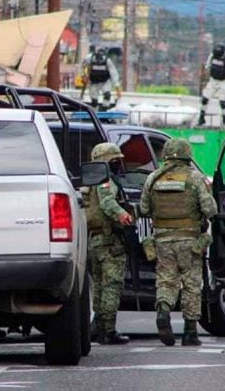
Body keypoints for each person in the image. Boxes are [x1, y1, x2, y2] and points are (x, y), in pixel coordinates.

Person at [139, 138, 217, 346]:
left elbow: (144, 209)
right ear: (187, 155)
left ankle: (163, 310)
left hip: (163, 239)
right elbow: (211, 210)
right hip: (190, 240)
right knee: (191, 284)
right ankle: (190, 333)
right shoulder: (195, 178)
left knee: (166, 281)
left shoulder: (153, 178)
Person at [85, 142, 133, 344]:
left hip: (94, 241)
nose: (118, 164)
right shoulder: (105, 181)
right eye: (115, 161)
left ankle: (98, 327)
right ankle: (109, 331)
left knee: (99, 287)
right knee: (112, 285)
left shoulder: (89, 181)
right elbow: (107, 202)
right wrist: (123, 215)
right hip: (109, 240)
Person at [198, 43, 225, 127]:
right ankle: (201, 117)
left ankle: (224, 120)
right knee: (205, 98)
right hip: (213, 80)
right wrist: (204, 71)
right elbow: (208, 65)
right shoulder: (213, 55)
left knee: (222, 102)